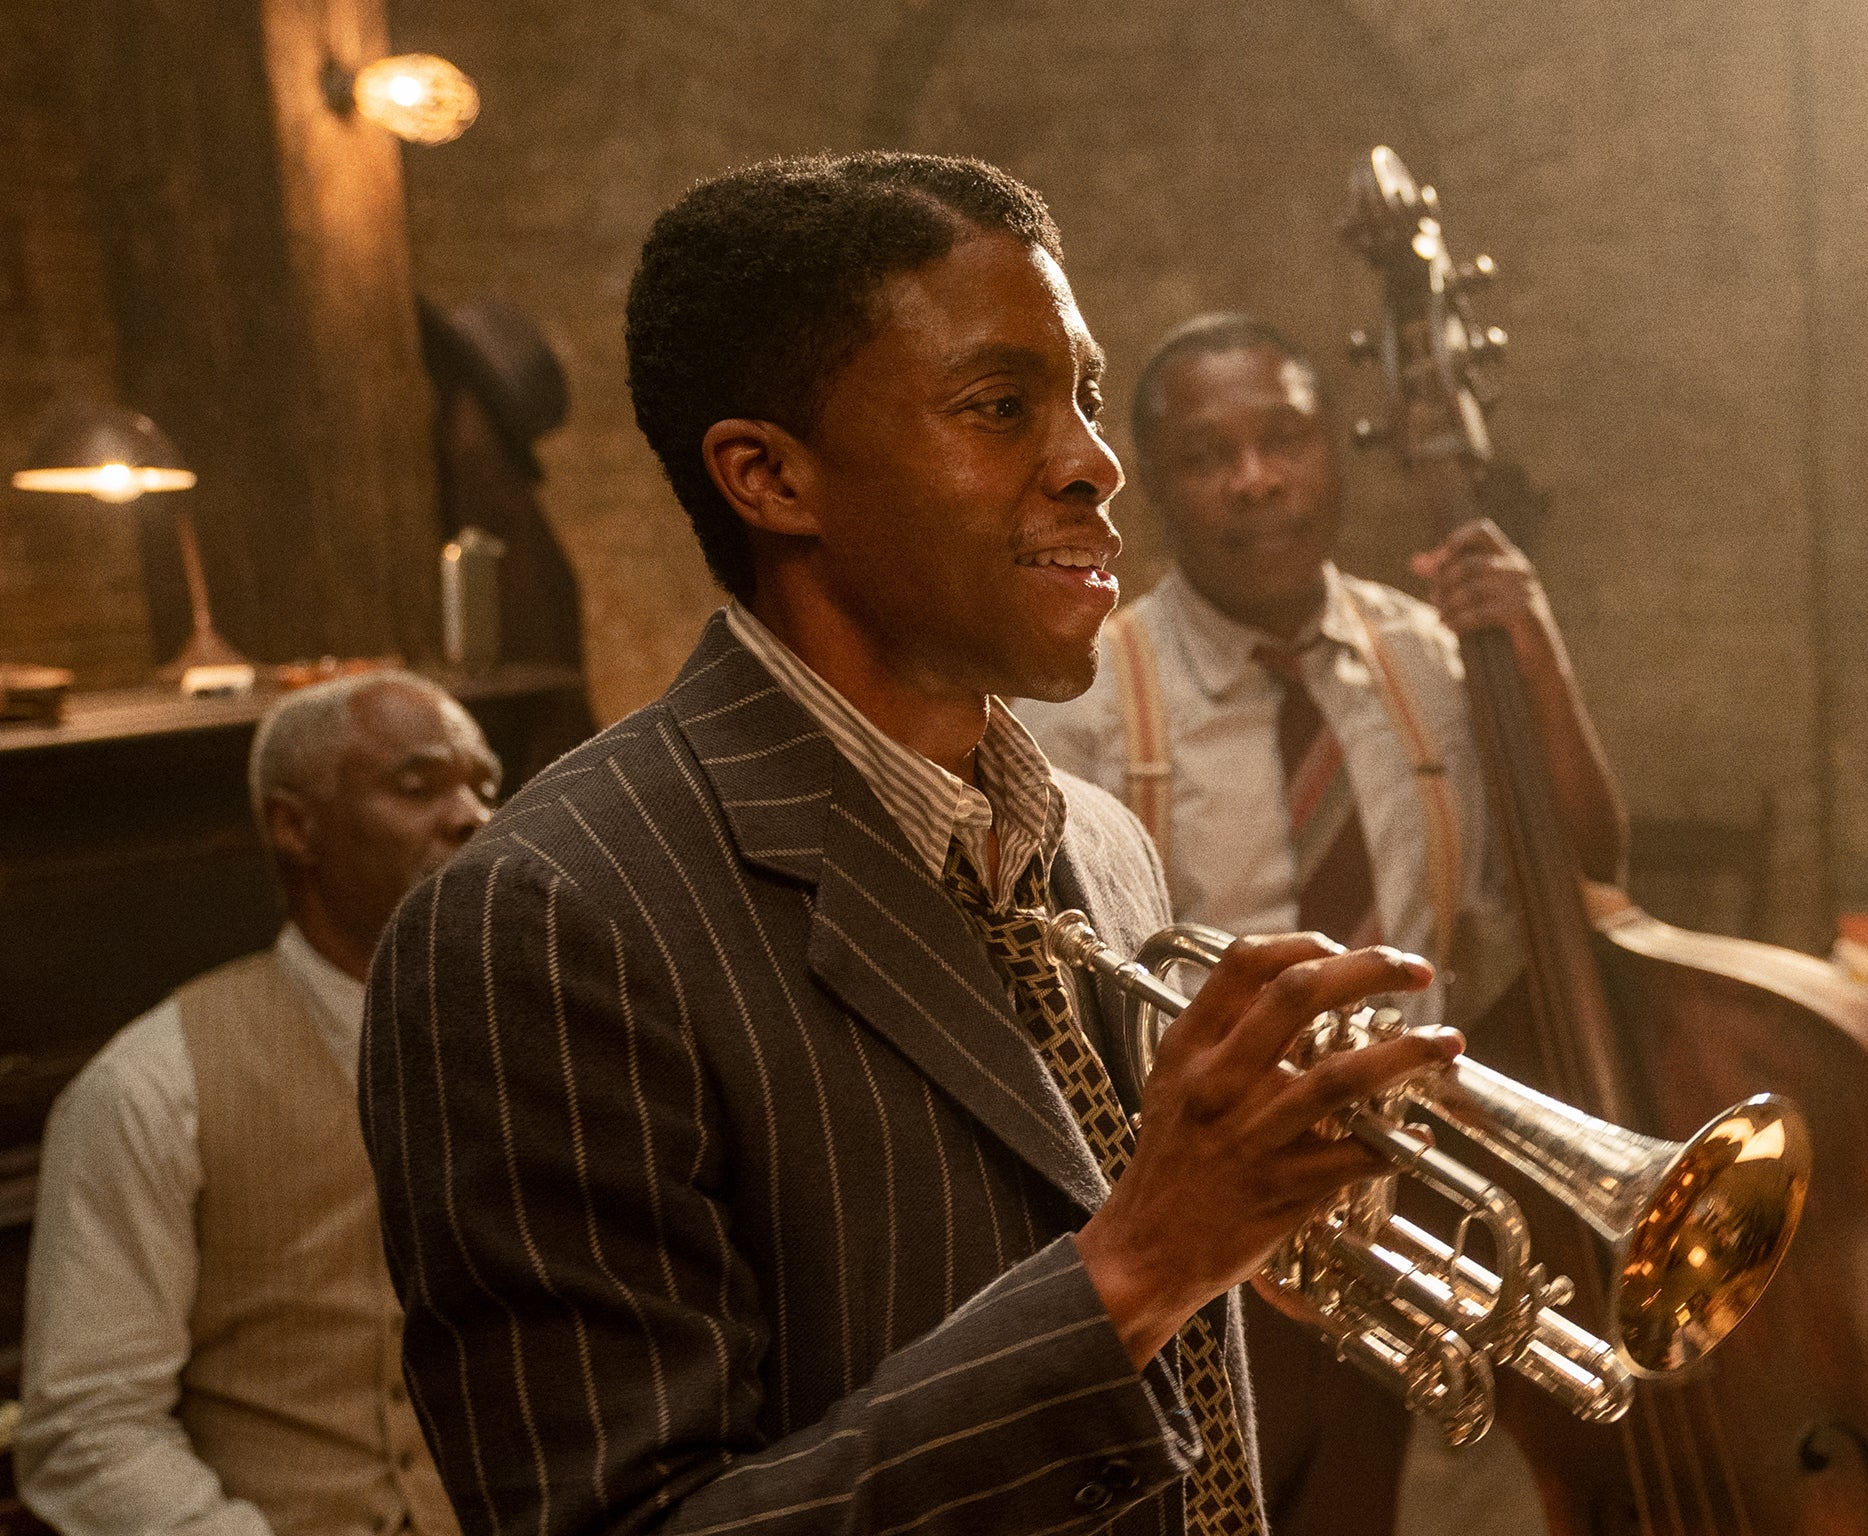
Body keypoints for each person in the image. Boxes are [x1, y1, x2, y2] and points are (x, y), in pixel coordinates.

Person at [358, 153, 1463, 1536]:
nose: (1096, 463)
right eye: (1003, 407)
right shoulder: (542, 920)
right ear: (769, 477)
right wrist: (1139, 1267)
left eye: (1087, 400)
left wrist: (1242, 1238)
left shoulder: (1103, 845)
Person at [1014, 313, 1628, 1536]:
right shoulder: (1087, 692)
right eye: (1206, 454)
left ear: (1332, 456)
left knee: (1360, 1508)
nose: (1254, 479)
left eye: (1282, 438)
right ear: (1157, 487)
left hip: (1394, 1202)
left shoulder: (1424, 660)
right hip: (1195, 1212)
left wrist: (1534, 654)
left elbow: (1582, 877)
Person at [16, 671, 499, 1536]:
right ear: (294, 826)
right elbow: (89, 1430)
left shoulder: (552, 1049)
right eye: (418, 786)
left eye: (485, 786)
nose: (473, 816)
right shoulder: (152, 1087)